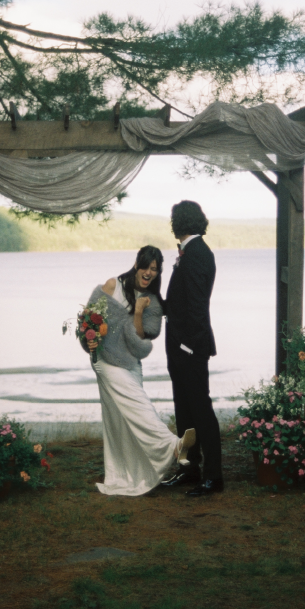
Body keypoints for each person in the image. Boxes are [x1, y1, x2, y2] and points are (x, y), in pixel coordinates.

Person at [88, 245, 196, 497]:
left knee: (123, 421)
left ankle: (128, 475)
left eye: (155, 270)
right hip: (104, 362)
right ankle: (172, 444)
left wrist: (138, 312)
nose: (149, 273)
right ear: (137, 264)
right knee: (140, 406)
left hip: (130, 364)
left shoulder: (154, 304)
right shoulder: (112, 285)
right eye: (146, 266)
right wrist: (88, 341)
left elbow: (139, 347)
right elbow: (87, 321)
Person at [160, 200, 224, 496]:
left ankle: (213, 476)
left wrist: (187, 346)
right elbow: (180, 303)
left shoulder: (197, 254)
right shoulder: (191, 252)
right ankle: (189, 468)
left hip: (190, 348)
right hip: (179, 347)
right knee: (184, 412)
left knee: (200, 411)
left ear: (179, 222)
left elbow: (198, 306)